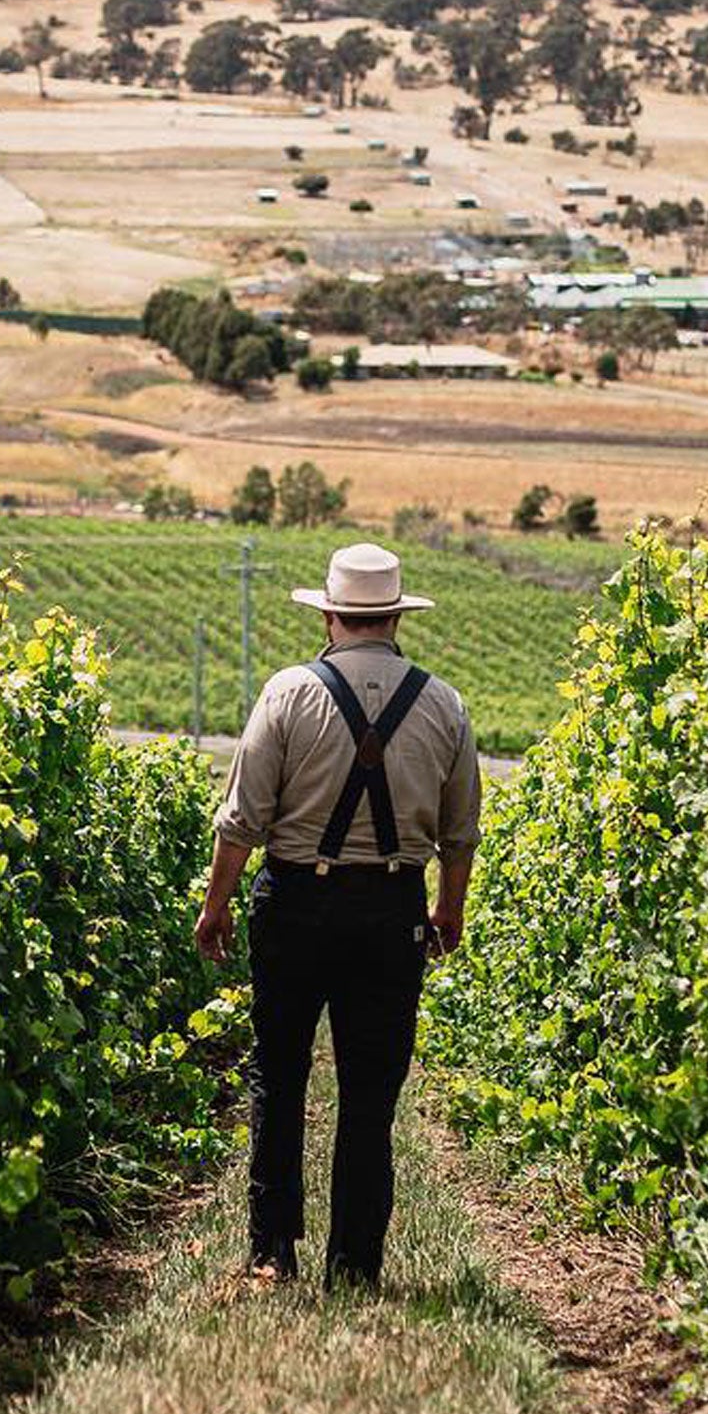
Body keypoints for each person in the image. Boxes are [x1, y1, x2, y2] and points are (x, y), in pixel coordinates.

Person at [194, 540, 480, 1287]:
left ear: (330, 616)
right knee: (370, 1091)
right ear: (392, 618)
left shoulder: (288, 693)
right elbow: (459, 834)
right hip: (392, 908)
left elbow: (242, 820)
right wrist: (448, 911)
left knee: (279, 1076)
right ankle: (354, 1264)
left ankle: (270, 1252)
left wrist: (216, 906)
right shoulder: (445, 703)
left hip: (295, 901)